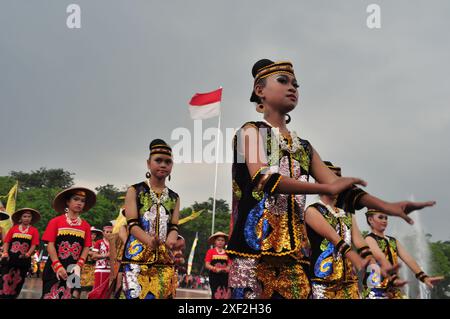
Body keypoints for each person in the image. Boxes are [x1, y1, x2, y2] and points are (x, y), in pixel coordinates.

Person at [226, 59, 436, 299]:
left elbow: (343, 191)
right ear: (259, 90)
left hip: (294, 259)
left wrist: (385, 205)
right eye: (283, 81)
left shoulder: (304, 147)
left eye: (296, 84)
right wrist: (325, 186)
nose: (292, 87)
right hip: (252, 254)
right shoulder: (251, 131)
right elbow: (264, 179)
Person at [306, 162, 398, 299]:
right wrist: (356, 258)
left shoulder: (346, 213)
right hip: (323, 283)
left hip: (349, 281)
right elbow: (333, 238)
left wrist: (373, 265)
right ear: (319, 182)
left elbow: (359, 241)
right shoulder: (312, 211)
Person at [122, 139, 181, 299]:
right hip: (137, 260)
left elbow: (174, 226)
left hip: (164, 262)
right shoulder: (134, 190)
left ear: (172, 166)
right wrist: (149, 241)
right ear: (148, 163)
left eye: (168, 162)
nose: (163, 165)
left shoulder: (175, 197)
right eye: (158, 160)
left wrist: (172, 240)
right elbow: (132, 224)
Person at [363, 209, 444, 299]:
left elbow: (408, 259)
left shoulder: (393, 241)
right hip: (376, 290)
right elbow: (380, 258)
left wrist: (424, 277)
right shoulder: (368, 239)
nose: (384, 220)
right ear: (370, 219)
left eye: (386, 218)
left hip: (393, 291)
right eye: (380, 217)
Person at [41, 187, 95, 299]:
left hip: (74, 268)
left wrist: (79, 265)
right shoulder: (55, 222)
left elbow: (86, 247)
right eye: (76, 199)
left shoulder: (85, 225)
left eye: (82, 201)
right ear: (67, 202)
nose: (79, 203)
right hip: (54, 268)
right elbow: (50, 245)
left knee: (68, 296)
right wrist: (58, 266)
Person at [0, 208, 40, 298]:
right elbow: (7, 242)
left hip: (23, 259)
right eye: (24, 216)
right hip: (10, 258)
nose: (27, 218)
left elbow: (34, 245)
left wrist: (28, 254)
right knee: (4, 277)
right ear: (20, 218)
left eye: (29, 217)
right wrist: (5, 252)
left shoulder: (34, 230)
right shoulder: (13, 229)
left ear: (31, 219)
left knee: (18, 280)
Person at [204, 231, 231, 299]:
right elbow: (207, 264)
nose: (220, 242)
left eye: (222, 240)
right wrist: (215, 269)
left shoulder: (228, 253)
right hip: (214, 276)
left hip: (225, 276)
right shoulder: (211, 251)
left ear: (225, 242)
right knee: (215, 293)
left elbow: (230, 265)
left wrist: (227, 268)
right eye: (218, 240)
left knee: (225, 294)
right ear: (215, 241)